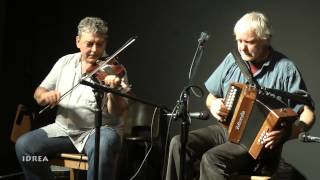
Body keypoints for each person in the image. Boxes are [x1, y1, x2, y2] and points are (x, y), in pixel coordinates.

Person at [165, 11, 315, 180]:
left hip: (256, 143)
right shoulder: (232, 60)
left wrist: (289, 133)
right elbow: (210, 97)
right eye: (239, 41)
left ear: (266, 40)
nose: (242, 47)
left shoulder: (285, 68)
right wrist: (214, 105)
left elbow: (309, 112)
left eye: (249, 42)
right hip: (225, 130)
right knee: (178, 143)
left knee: (212, 159)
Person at [15, 16, 131, 180]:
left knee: (103, 146)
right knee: (25, 147)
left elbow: (117, 112)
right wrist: (45, 96)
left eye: (100, 44)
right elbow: (39, 93)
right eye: (89, 43)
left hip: (98, 131)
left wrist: (112, 90)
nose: (94, 50)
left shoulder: (114, 69)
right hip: (64, 130)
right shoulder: (65, 62)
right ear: (78, 41)